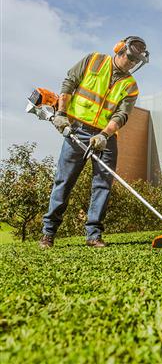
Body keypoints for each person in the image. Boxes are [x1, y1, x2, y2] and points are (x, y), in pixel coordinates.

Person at [39, 36, 149, 248]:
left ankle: (93, 235)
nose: (131, 63)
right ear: (118, 49)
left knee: (102, 185)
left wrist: (104, 136)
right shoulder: (93, 60)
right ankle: (48, 233)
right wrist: (62, 113)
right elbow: (69, 82)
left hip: (105, 138)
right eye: (129, 57)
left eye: (135, 61)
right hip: (77, 130)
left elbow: (121, 115)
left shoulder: (131, 86)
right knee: (64, 181)